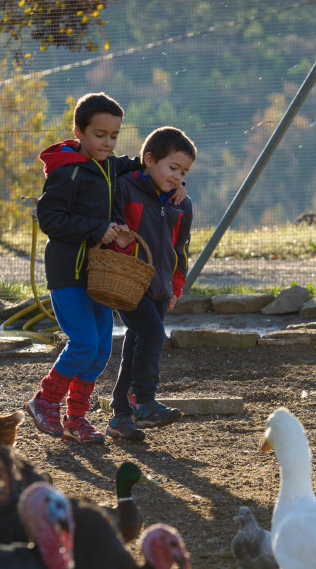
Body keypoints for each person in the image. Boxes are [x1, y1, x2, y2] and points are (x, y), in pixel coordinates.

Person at [26, 93, 183, 445]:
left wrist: (176, 184)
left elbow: (145, 167)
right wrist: (97, 229)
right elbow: (51, 219)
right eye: (100, 135)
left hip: (99, 275)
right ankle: (44, 401)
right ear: (79, 132)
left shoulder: (110, 166)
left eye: (114, 135)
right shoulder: (66, 173)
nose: (108, 142)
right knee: (83, 343)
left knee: (100, 349)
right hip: (69, 274)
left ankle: (75, 418)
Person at [104, 127, 196, 441]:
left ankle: (120, 417)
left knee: (137, 342)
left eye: (183, 172)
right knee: (152, 333)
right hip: (127, 281)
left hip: (159, 285)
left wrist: (176, 286)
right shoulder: (124, 188)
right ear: (149, 160)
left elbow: (181, 249)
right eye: (172, 168)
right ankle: (143, 400)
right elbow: (112, 221)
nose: (178, 177)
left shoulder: (181, 205)